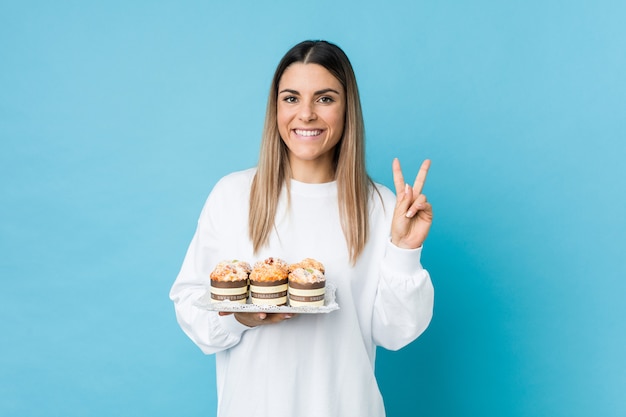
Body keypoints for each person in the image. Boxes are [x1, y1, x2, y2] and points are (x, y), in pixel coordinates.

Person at [169, 40, 434, 417]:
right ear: (275, 108)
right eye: (291, 98)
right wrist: (238, 318)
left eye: (325, 99)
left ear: (348, 109)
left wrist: (405, 252)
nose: (305, 114)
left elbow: (396, 333)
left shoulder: (381, 206)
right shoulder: (233, 195)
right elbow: (191, 308)